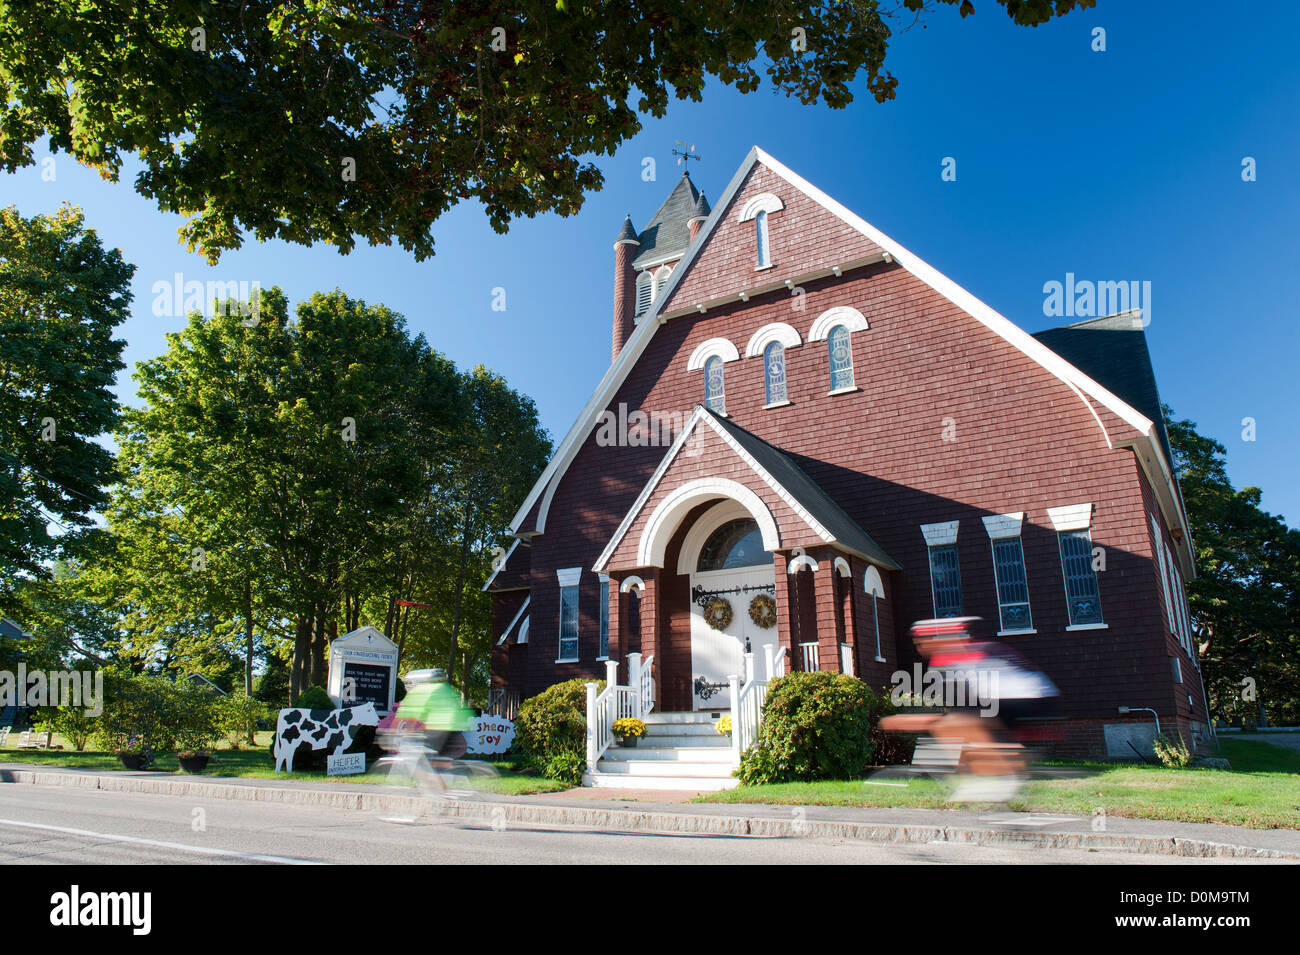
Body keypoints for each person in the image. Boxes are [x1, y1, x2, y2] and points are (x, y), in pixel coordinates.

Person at [391, 668, 474, 760]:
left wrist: (392, 731)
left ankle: (430, 771)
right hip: (457, 728)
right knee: (443, 758)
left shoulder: (421, 690)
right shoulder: (448, 688)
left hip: (438, 728)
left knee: (423, 752)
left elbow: (405, 713)